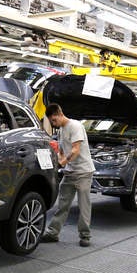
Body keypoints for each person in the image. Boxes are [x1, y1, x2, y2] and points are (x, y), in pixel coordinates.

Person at [42, 103, 96, 247]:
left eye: (54, 120)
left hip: (83, 172)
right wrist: (58, 158)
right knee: (63, 204)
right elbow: (61, 149)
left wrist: (63, 163)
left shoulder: (75, 126)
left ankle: (85, 236)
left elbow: (75, 150)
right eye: (51, 122)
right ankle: (53, 233)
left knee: (84, 205)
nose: (54, 124)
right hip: (70, 172)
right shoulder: (61, 130)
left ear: (59, 114)